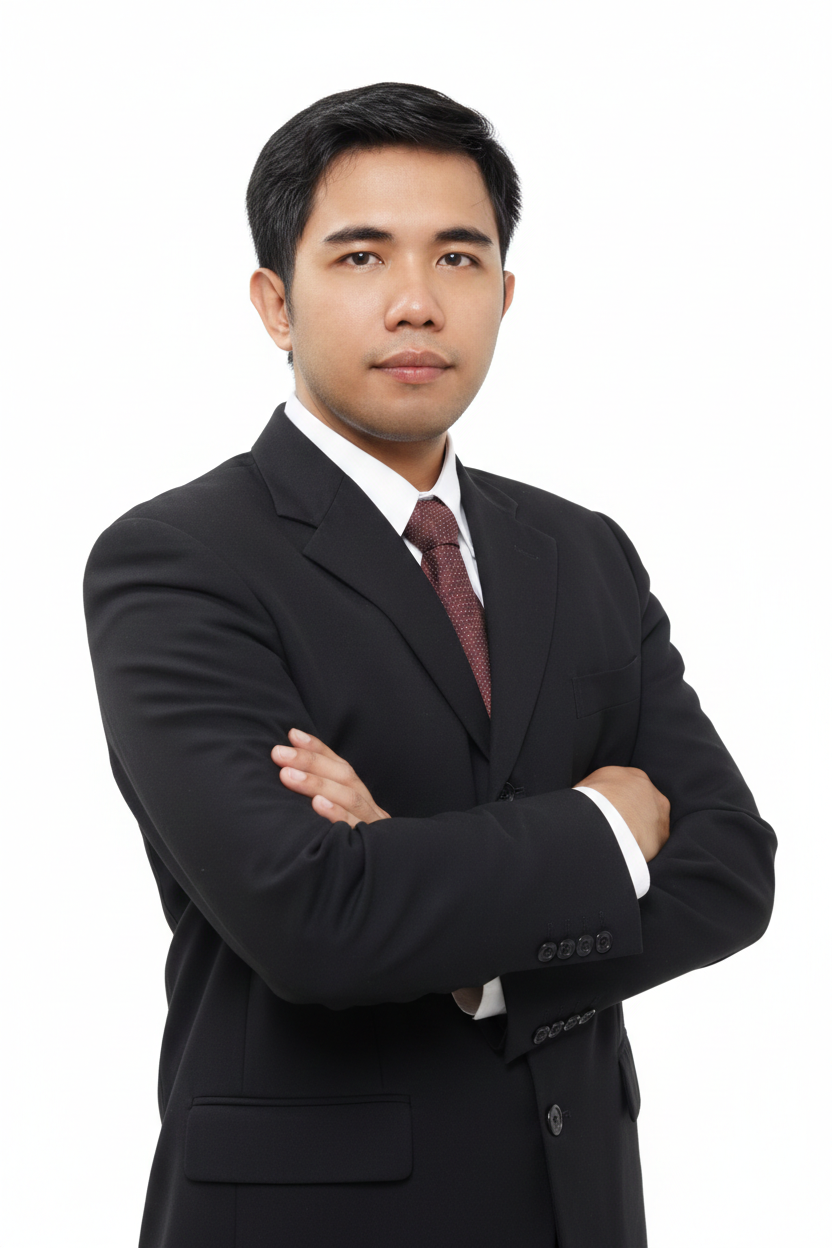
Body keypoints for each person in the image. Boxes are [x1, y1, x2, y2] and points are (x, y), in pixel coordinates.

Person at [83, 82, 776, 1248]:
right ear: (275, 302)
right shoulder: (178, 560)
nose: (416, 301)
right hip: (310, 1220)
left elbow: (730, 869)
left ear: (503, 294)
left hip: (579, 1207)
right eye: (361, 257)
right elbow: (310, 917)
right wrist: (602, 828)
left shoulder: (582, 550)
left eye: (458, 258)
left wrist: (475, 961)